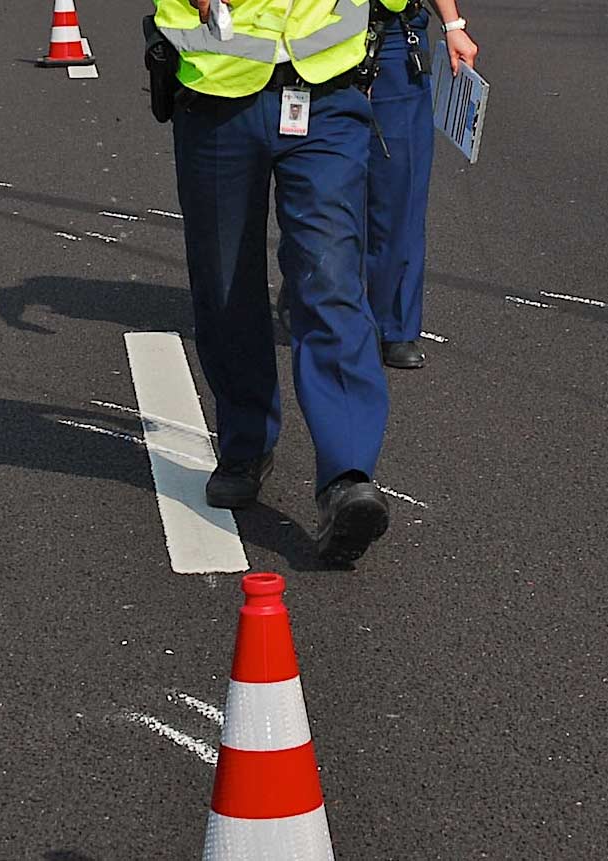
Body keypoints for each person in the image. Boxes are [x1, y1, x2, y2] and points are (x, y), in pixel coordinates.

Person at [156, 0, 410, 563]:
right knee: (224, 284)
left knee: (331, 279)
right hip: (219, 96)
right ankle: (246, 445)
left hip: (328, 97)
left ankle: (346, 477)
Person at [366, 0, 478, 369]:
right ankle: (311, 280)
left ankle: (394, 326)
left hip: (394, 37)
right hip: (315, 38)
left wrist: (452, 24)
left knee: (402, 191)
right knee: (322, 187)